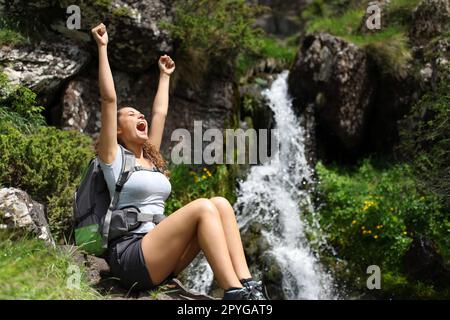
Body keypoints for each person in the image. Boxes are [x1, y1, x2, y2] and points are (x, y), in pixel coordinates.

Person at [91, 23, 268, 300]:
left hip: (160, 255)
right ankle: (233, 293)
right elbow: (109, 99)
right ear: (116, 129)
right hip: (130, 255)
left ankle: (248, 286)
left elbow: (159, 113)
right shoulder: (112, 157)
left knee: (220, 203)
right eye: (131, 115)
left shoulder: (150, 156)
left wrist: (164, 76)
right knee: (202, 208)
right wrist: (103, 48)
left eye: (141, 115)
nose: (141, 117)